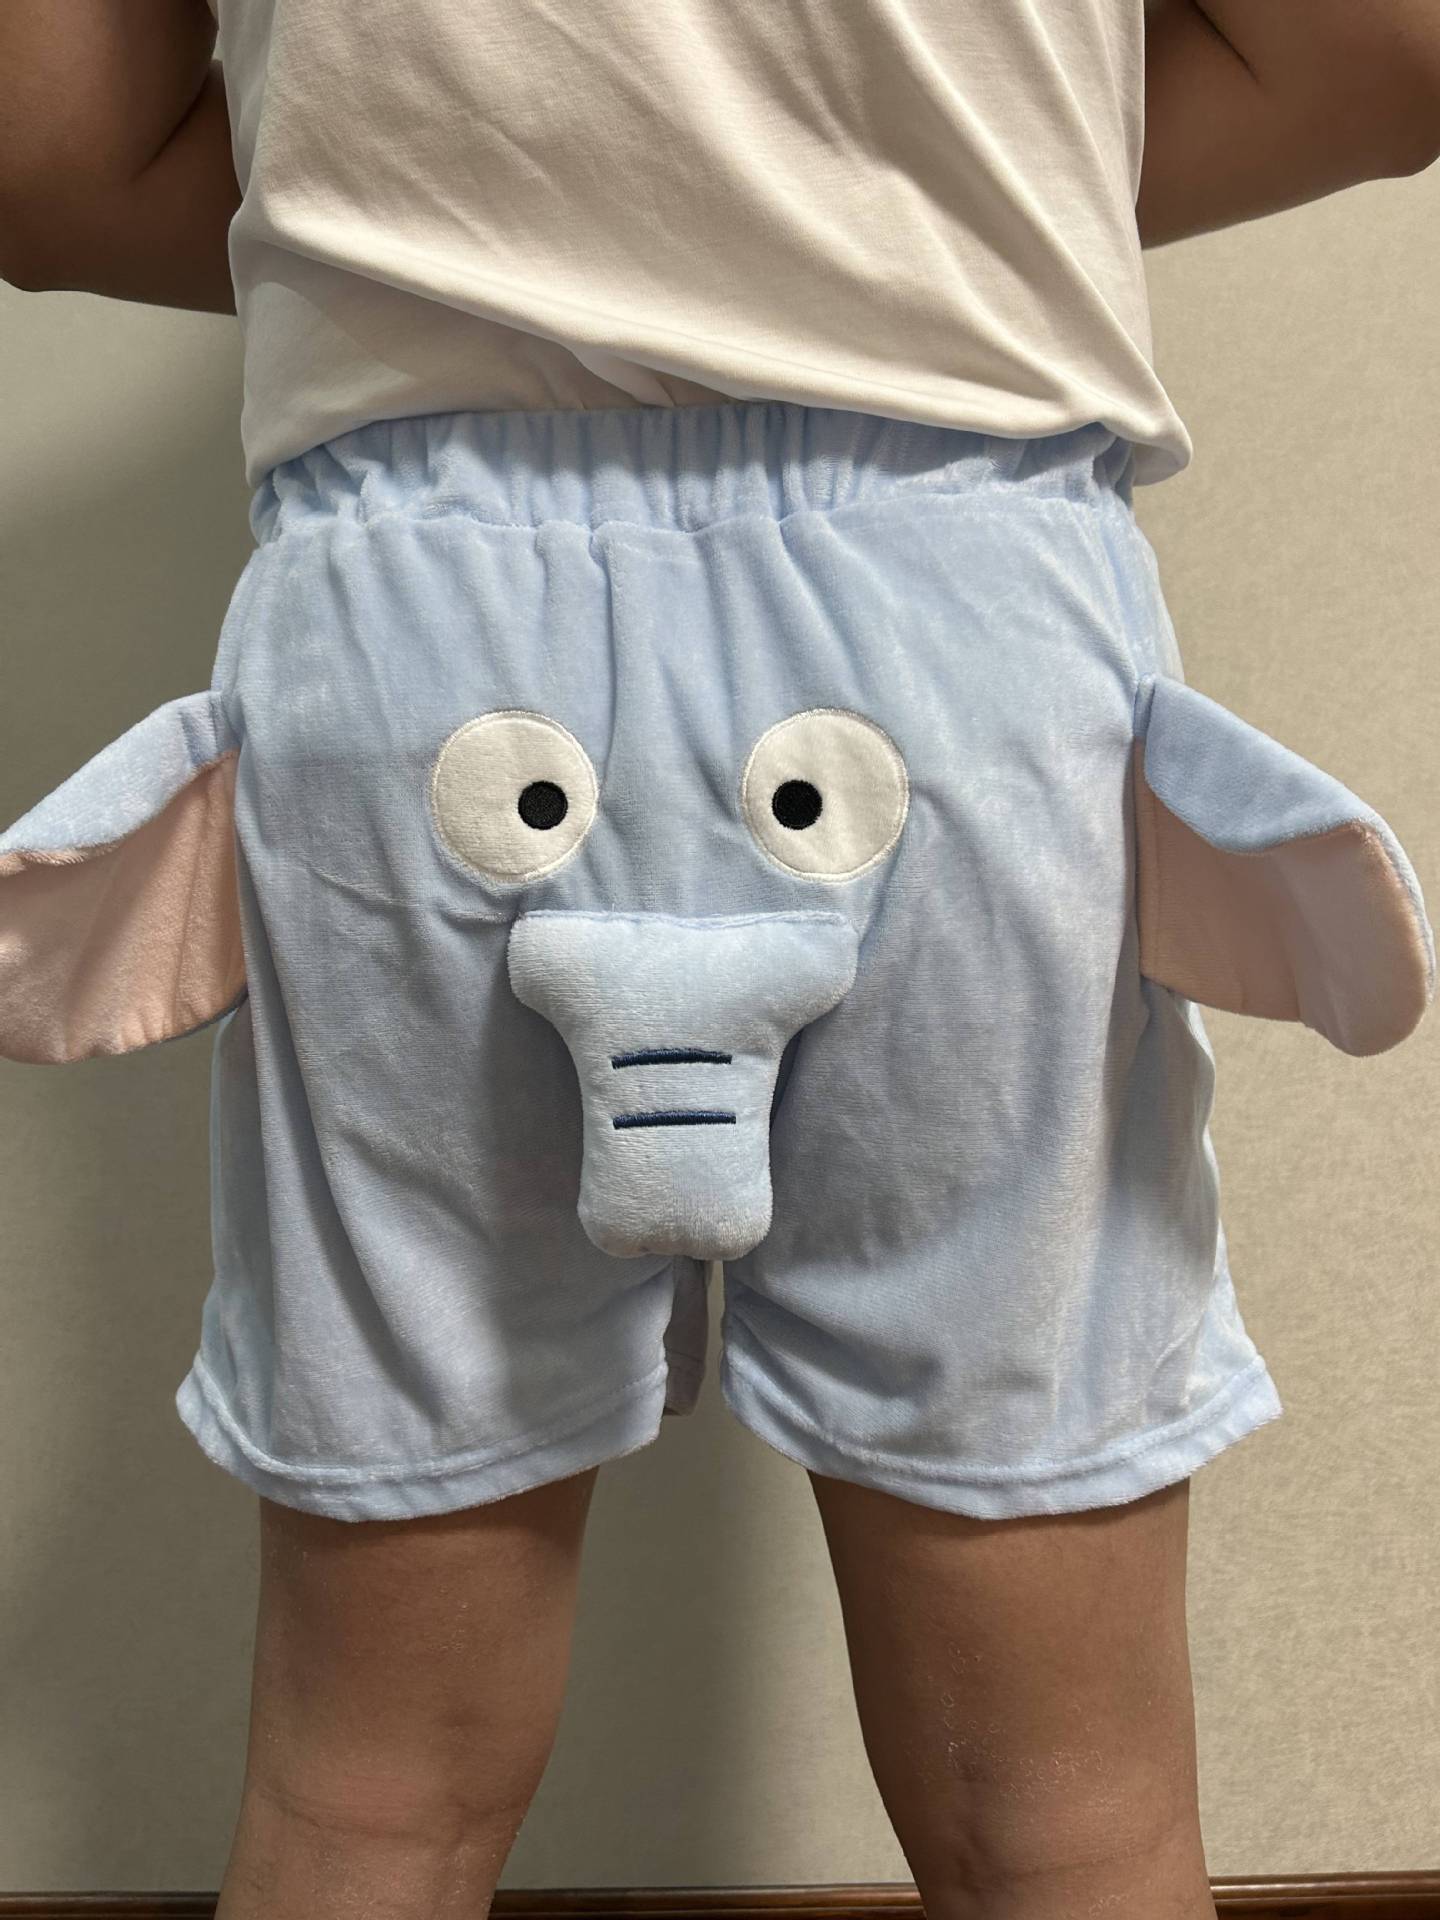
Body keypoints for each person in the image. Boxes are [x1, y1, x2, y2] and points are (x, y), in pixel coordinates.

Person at [1, 5, 1437, 1918]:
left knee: (368, 1795)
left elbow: (51, 166)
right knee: (1060, 1809)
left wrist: (480, 207)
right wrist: (896, 186)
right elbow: (1382, 59)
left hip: (419, 645)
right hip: (952, 631)